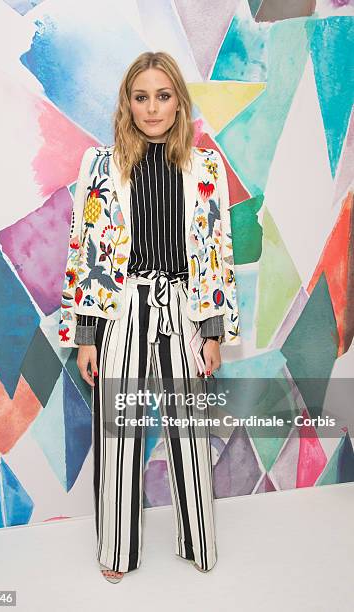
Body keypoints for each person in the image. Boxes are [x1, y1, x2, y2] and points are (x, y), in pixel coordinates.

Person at [58, 51, 240, 583]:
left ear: (179, 101)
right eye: (141, 97)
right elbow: (88, 248)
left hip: (184, 306)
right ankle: (117, 552)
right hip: (121, 307)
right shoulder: (101, 165)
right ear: (127, 103)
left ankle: (197, 542)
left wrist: (211, 332)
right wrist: (87, 336)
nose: (152, 107)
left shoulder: (205, 167)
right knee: (119, 431)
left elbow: (214, 251)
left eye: (163, 96)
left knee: (189, 428)